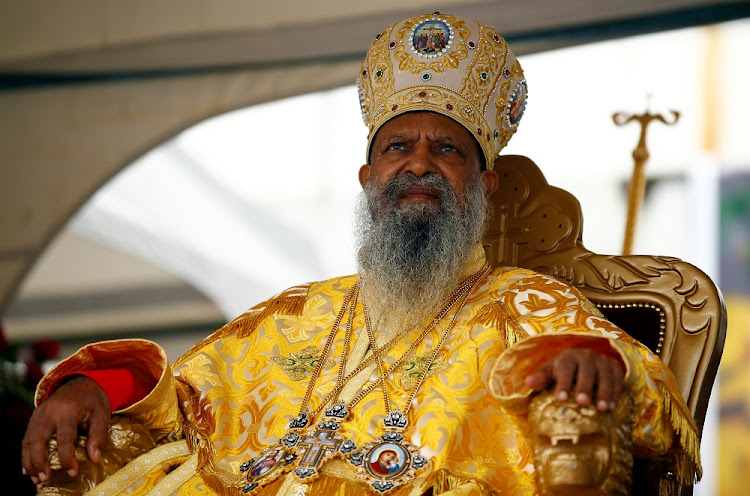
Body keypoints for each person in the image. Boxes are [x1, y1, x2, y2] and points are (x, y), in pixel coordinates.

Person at [22, 12, 701, 496]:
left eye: (448, 150)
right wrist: (91, 386)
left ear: (485, 185)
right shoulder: (294, 313)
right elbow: (181, 401)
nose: (420, 165)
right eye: (398, 148)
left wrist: (590, 362)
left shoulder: (527, 303)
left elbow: (654, 406)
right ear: (367, 177)